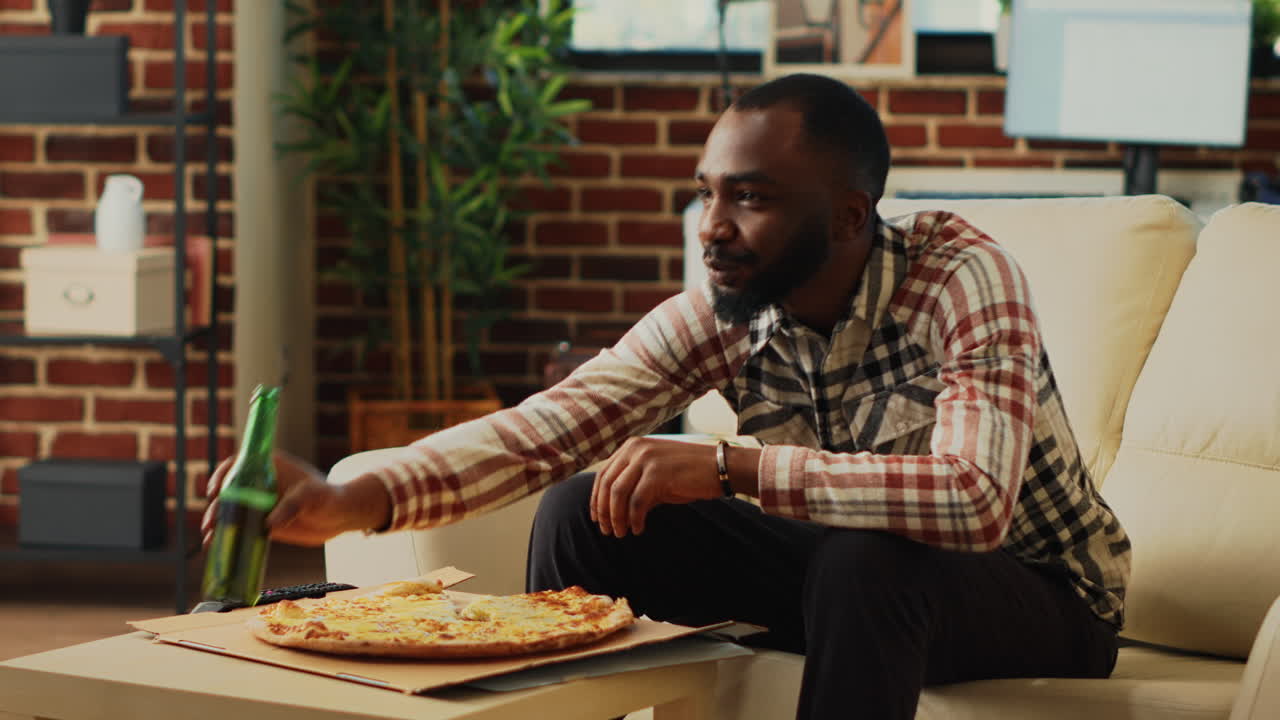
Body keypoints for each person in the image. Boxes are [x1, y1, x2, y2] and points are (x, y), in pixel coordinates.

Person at [204, 73, 1130, 719]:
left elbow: (974, 499)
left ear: (850, 215)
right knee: (585, 509)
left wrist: (730, 468)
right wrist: (353, 498)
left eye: (751, 199)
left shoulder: (964, 277)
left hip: (1043, 594)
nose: (712, 228)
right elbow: (549, 429)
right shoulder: (732, 306)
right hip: (843, 574)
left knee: (867, 560)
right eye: (708, 195)